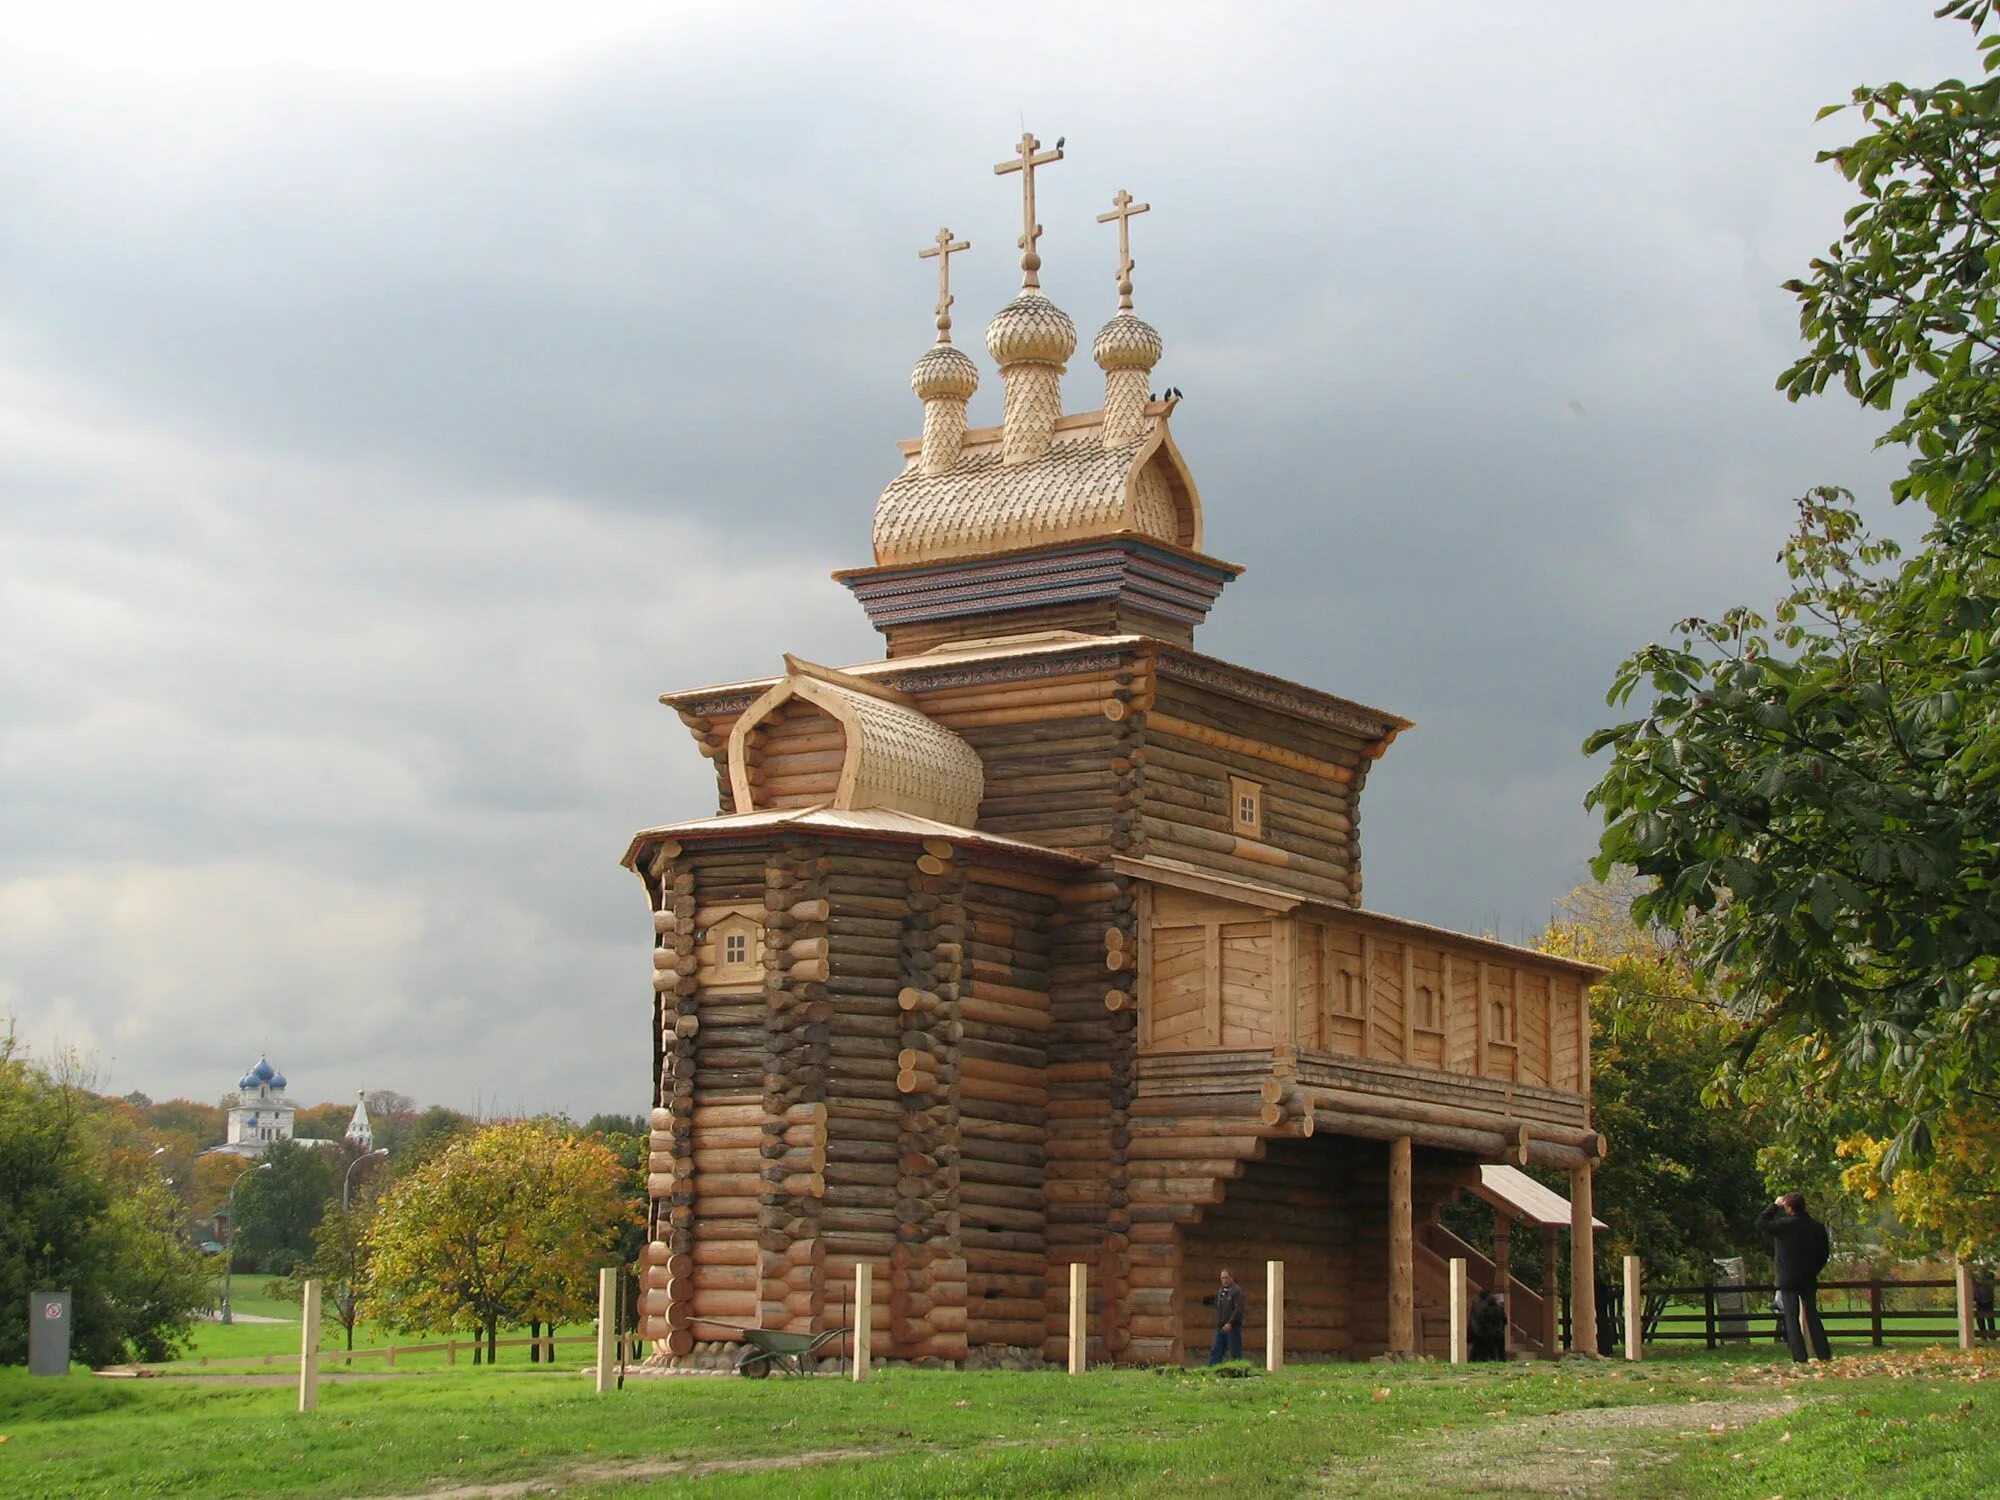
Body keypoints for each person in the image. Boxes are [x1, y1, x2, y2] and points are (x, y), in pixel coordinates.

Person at [1755, 1191, 1832, 1362]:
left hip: (1788, 1277)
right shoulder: (1816, 1227)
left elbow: (1761, 1223)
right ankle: (1823, 1353)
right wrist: (1814, 1270)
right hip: (1808, 1276)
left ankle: (1799, 1356)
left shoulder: (1784, 1225)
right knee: (1812, 1315)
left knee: (1791, 1317)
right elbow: (1824, 1253)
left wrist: (1774, 1206)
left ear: (1788, 1207)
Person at [1208, 1268, 1246, 1365]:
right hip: (1220, 1326)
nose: (1224, 1280)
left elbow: (1238, 1309)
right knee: (1216, 1350)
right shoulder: (1220, 1291)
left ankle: (1237, 1370)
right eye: (1222, 1278)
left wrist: (1230, 1323)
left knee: (1234, 1351)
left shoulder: (1237, 1291)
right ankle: (1213, 1369)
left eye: (1226, 1278)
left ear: (1231, 1278)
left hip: (1232, 1327)